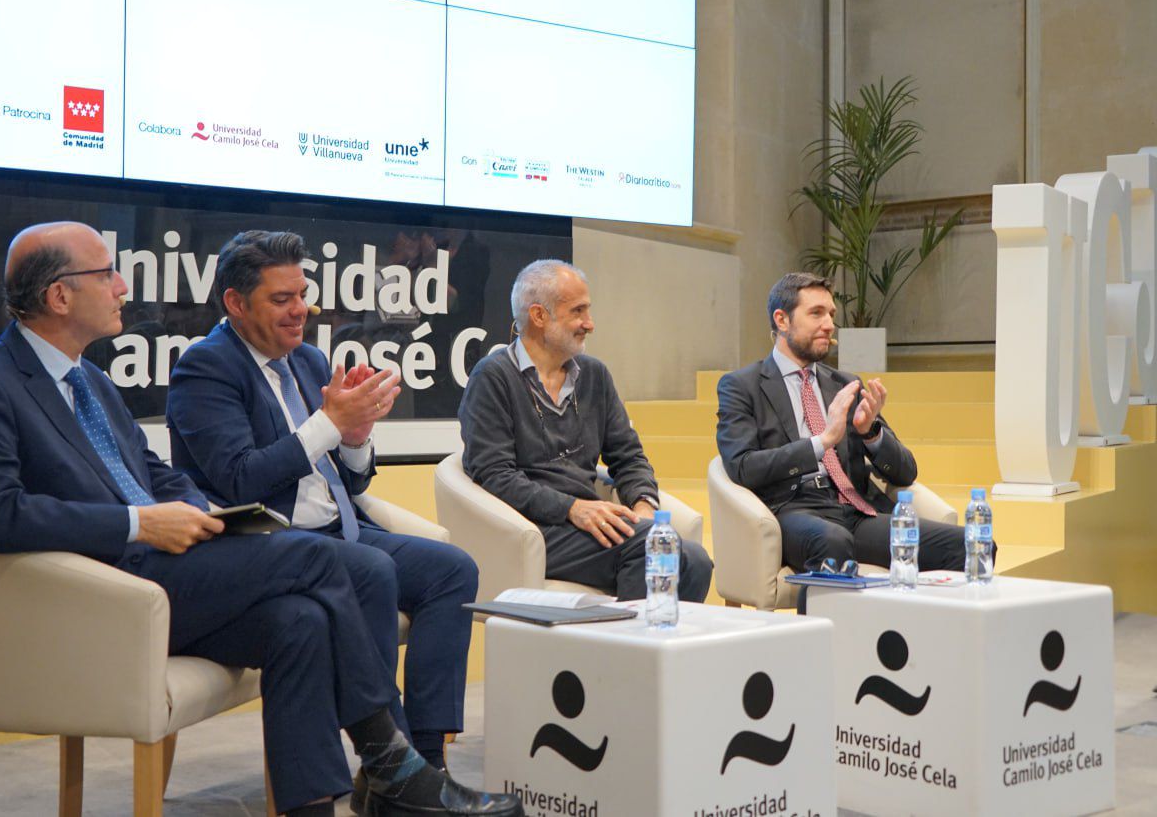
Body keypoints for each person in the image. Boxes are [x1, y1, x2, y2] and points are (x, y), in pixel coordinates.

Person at [0, 222, 521, 817]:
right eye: (105, 273)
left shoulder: (89, 379)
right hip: (108, 591)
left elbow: (153, 471)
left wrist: (197, 512)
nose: (121, 286)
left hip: (167, 568)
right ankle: (392, 765)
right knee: (325, 558)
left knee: (299, 623)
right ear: (60, 296)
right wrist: (140, 525)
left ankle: (323, 801)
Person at [166, 229, 478, 775]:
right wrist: (328, 424)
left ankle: (428, 761)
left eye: (302, 295)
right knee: (373, 569)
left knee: (452, 571)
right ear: (236, 304)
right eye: (281, 299)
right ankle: (389, 764)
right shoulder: (206, 368)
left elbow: (350, 483)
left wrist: (354, 438)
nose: (300, 310)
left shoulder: (308, 362)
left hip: (341, 526)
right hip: (272, 543)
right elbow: (238, 479)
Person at [457, 259, 712, 601]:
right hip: (531, 527)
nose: (589, 324)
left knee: (697, 559)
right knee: (648, 549)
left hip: (586, 523)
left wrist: (643, 506)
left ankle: (662, 653)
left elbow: (628, 455)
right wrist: (571, 508)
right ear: (539, 316)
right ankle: (626, 653)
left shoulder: (594, 375)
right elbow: (495, 475)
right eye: (578, 312)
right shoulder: (493, 377)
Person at [716, 271, 970, 575]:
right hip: (794, 510)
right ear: (782, 320)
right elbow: (742, 467)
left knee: (968, 543)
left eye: (831, 314)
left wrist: (870, 433)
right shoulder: (741, 385)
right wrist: (821, 443)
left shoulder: (845, 384)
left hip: (856, 510)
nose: (829, 325)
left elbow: (906, 471)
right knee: (832, 541)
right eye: (816, 314)